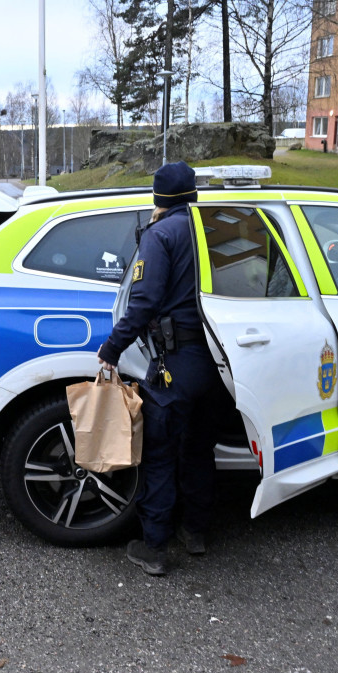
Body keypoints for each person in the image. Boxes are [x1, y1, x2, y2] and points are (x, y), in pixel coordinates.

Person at [96, 161, 227, 577]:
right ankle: (196, 533)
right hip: (220, 364)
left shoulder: (161, 234)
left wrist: (112, 348)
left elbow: (146, 300)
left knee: (159, 454)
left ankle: (153, 547)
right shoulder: (213, 228)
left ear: (159, 198)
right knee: (199, 450)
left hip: (176, 364)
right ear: (191, 193)